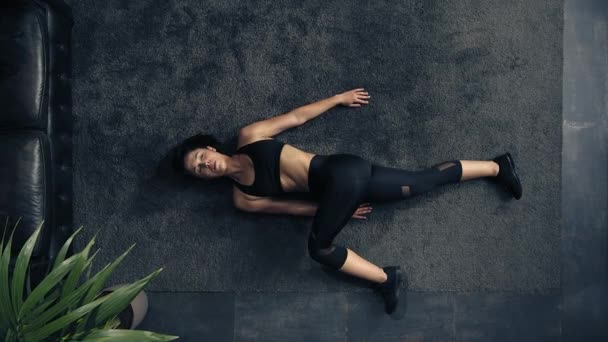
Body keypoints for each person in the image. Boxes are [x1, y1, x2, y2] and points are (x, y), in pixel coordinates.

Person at [172, 88, 523, 314]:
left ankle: (388, 279)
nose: (205, 165)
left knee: (318, 247)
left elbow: (295, 117)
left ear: (211, 148)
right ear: (206, 178)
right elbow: (293, 209)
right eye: (199, 170)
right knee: (419, 183)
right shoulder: (243, 198)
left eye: (201, 157)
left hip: (341, 171)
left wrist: (337, 99)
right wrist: (337, 210)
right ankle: (497, 166)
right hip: (340, 193)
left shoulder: (249, 136)